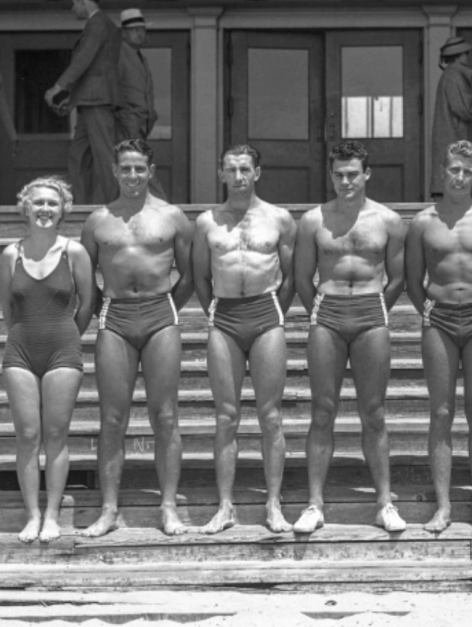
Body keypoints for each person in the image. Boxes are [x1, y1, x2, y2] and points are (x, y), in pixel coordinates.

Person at [79, 139, 194, 538]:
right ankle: (109, 509)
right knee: (112, 419)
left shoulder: (173, 217)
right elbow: (84, 277)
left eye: (139, 169)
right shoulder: (98, 220)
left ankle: (168, 507)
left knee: (165, 416)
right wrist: (104, 312)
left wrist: (167, 308)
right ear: (114, 171)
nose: (132, 176)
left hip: (161, 316)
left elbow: (190, 274)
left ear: (151, 170)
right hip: (115, 319)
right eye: (125, 169)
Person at [292, 141, 407, 535]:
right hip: (328, 314)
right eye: (339, 174)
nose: (345, 181)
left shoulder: (388, 220)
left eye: (352, 174)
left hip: (371, 316)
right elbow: (302, 278)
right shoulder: (313, 220)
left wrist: (376, 309)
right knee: (323, 411)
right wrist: (322, 310)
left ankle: (384, 503)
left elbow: (398, 278)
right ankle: (314, 504)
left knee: (373, 412)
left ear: (366, 174)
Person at [406, 140, 472, 533]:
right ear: (442, 171)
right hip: (440, 320)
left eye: (467, 172)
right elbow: (414, 280)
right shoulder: (423, 222)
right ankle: (443, 506)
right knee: (440, 412)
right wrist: (430, 311)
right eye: (454, 169)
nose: (460, 177)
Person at [192, 145, 297, 534]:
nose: (238, 176)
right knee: (226, 417)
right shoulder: (206, 222)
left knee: (270, 416)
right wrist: (216, 312)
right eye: (231, 169)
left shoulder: (280, 219)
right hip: (225, 319)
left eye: (245, 169)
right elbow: (200, 277)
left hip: (266, 315)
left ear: (257, 172)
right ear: (221, 173)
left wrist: (275, 313)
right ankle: (225, 506)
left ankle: (273, 503)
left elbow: (289, 276)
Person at [0, 177, 92, 543]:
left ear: (63, 209)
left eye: (52, 204)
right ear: (25, 207)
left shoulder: (75, 252)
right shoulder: (10, 254)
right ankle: (32, 515)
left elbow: (87, 303)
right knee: (27, 435)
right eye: (37, 202)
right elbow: (7, 307)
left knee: (55, 434)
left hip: (62, 350)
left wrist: (67, 334)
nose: (45, 209)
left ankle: (52, 514)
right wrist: (24, 332)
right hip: (20, 350)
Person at [44, 0, 121, 204]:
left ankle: (118, 210)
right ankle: (79, 208)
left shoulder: (98, 23)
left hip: (97, 100)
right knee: (78, 157)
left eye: (73, 3)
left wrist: (58, 87)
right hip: (89, 100)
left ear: (82, 0)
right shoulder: (101, 24)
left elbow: (84, 59)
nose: (72, 8)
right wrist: (74, 96)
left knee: (105, 158)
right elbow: (97, 66)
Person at [115, 8, 166, 200]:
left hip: (141, 122)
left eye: (141, 29)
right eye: (134, 30)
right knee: (139, 165)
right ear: (124, 33)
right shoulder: (119, 54)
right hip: (127, 119)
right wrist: (123, 115)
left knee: (135, 167)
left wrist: (150, 115)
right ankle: (164, 206)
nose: (139, 33)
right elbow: (114, 88)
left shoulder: (139, 56)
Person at [430, 37, 472, 197]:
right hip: (455, 135)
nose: (468, 56)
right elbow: (461, 107)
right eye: (465, 53)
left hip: (452, 135)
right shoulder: (454, 75)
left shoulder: (450, 74)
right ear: (458, 55)